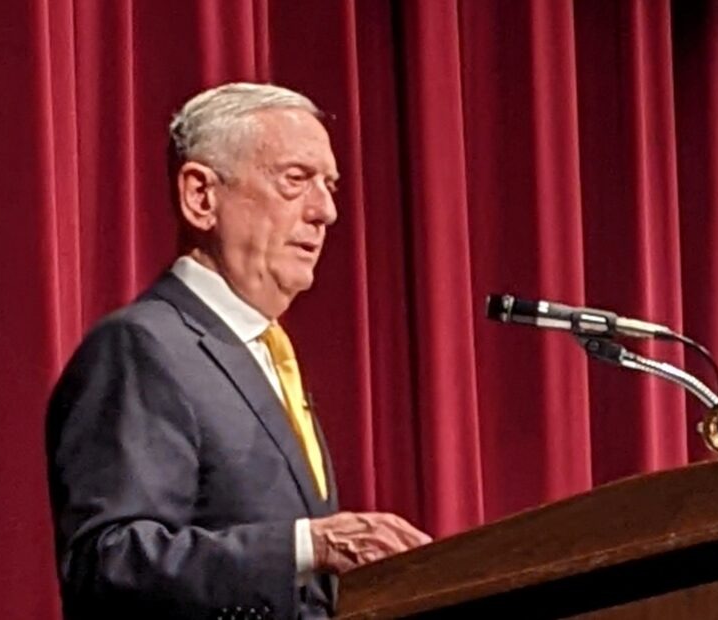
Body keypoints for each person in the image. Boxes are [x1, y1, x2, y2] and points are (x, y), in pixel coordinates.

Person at [45, 82, 430, 620]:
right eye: (295, 180)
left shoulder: (268, 353)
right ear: (201, 196)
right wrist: (307, 547)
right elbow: (107, 563)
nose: (326, 212)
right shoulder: (142, 347)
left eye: (330, 185)